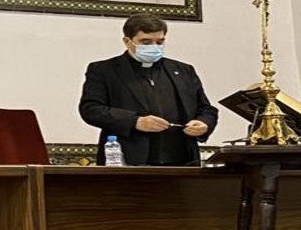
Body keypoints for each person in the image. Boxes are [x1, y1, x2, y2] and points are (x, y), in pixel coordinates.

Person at [79, 13, 218, 166]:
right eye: (146, 42)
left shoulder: (183, 70)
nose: (154, 47)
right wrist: (135, 121)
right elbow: (91, 109)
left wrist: (203, 124)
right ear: (127, 41)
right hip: (128, 160)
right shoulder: (104, 70)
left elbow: (206, 109)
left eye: (159, 42)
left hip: (182, 160)